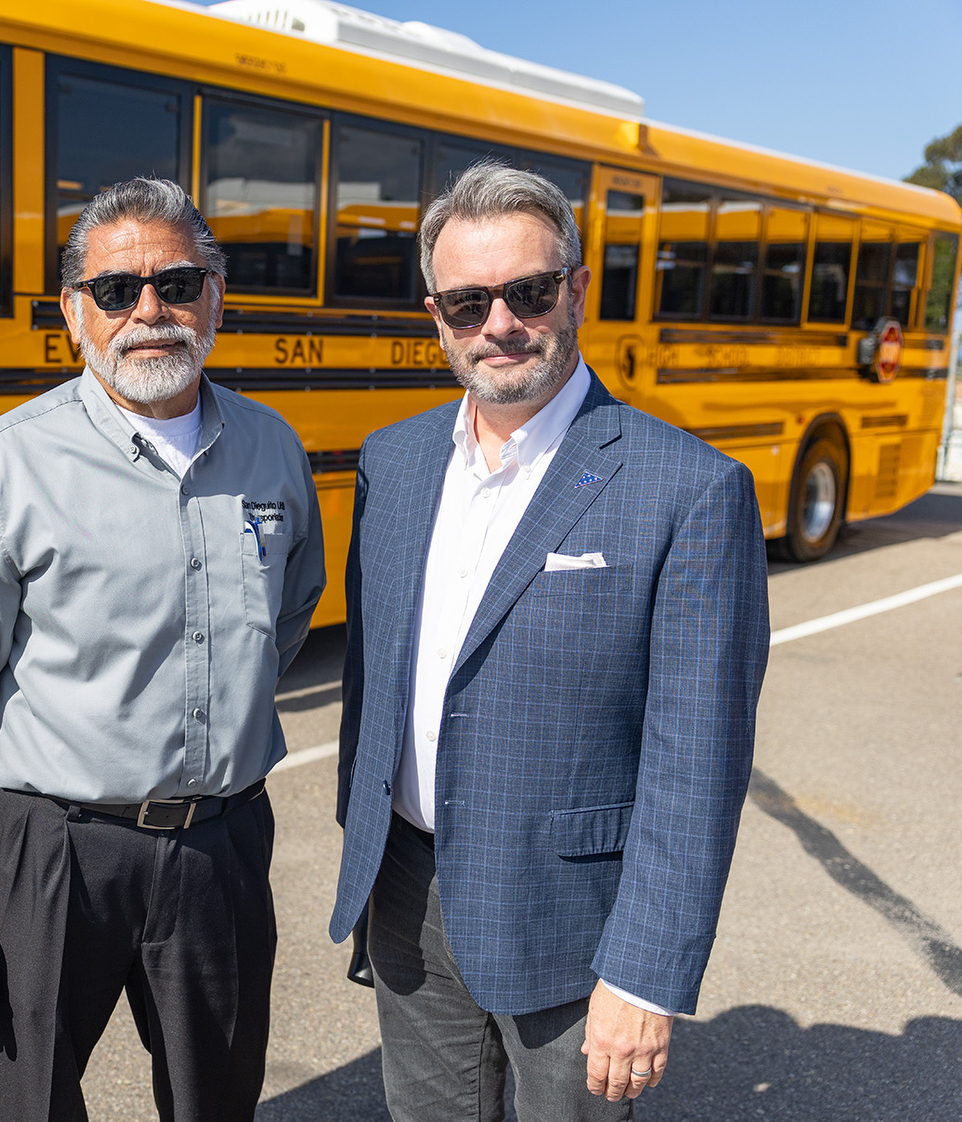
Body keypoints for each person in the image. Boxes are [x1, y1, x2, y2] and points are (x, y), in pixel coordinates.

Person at [330, 162, 770, 1120]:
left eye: (528, 291)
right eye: (466, 301)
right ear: (434, 313)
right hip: (406, 894)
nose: (499, 324)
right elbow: (376, 674)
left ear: (575, 287)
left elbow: (697, 760)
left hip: (576, 926)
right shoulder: (393, 463)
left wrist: (645, 976)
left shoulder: (689, 488)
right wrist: (360, 842)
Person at [0, 177, 326, 1121]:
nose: (150, 311)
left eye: (177, 284)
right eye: (116, 290)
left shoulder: (272, 448)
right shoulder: (6, 460)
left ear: (216, 295)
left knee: (218, 1101)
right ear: (72, 313)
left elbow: (291, 610)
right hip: (51, 856)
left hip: (219, 847)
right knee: (24, 1104)